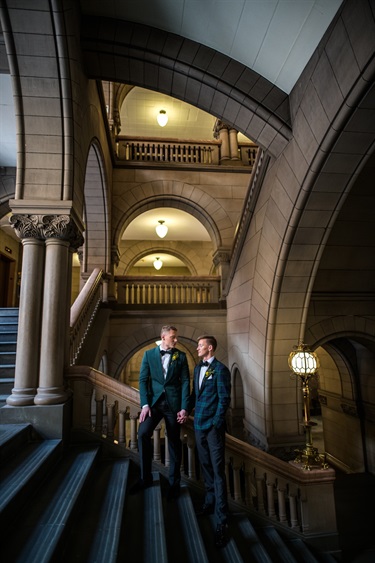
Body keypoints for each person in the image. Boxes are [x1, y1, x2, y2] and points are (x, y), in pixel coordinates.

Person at [130, 325, 190, 499]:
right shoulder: (149, 355)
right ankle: (145, 478)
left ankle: (174, 484)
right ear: (163, 337)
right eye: (173, 337)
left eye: (176, 337)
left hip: (174, 405)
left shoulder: (181, 356)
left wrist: (184, 407)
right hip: (154, 404)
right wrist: (145, 405)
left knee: (174, 443)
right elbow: (143, 380)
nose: (176, 340)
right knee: (142, 434)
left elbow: (186, 382)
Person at [189, 335, 231, 548]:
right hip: (197, 425)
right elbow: (194, 395)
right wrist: (185, 411)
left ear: (210, 348)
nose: (197, 348)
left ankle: (222, 520)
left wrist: (215, 423)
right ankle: (209, 502)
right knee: (205, 466)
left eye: (200, 345)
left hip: (213, 429)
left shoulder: (221, 370)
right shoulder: (197, 369)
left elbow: (224, 400)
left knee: (217, 471)